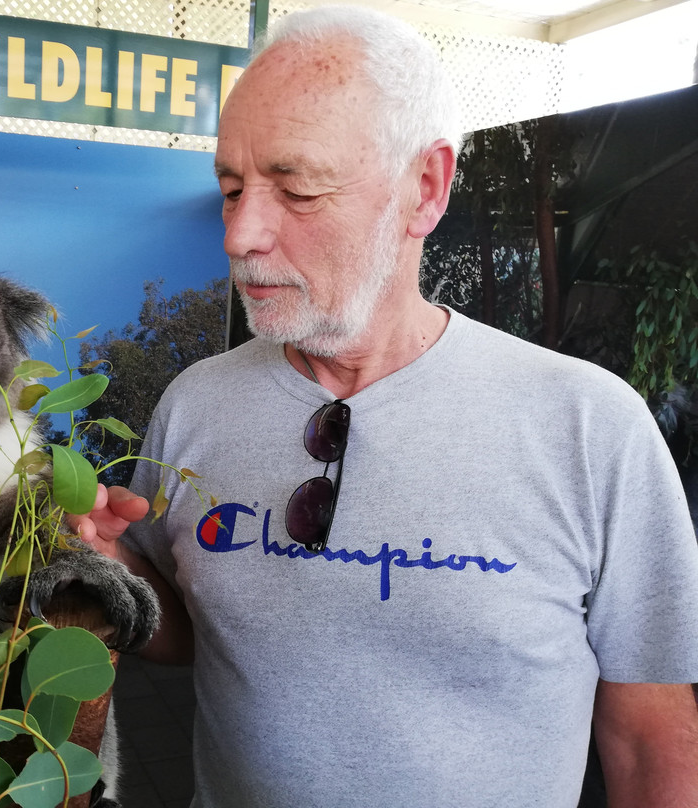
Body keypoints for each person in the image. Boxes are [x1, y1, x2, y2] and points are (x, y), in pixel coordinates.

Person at [73, 5, 698, 806]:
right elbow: (201, 631)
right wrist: (108, 567)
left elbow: (650, 737)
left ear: (425, 188)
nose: (240, 233)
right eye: (232, 188)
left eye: (295, 188)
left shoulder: (589, 427)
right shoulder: (197, 401)